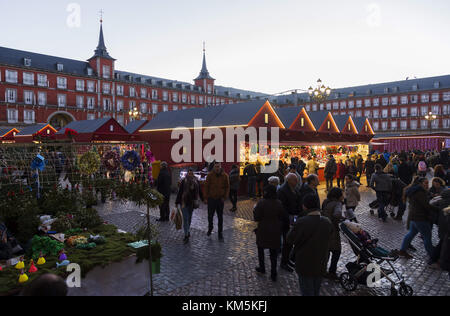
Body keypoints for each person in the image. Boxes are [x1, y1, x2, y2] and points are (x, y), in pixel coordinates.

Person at [287, 194, 333, 296]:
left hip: (305, 262)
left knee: (307, 291)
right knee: (316, 290)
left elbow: (290, 239)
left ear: (304, 206)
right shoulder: (327, 222)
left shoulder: (301, 222)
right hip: (321, 261)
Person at [398, 177, 439, 260]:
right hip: (420, 218)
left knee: (411, 234)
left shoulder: (414, 190)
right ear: (420, 184)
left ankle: (402, 250)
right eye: (425, 183)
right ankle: (433, 257)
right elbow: (426, 206)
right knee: (427, 237)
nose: (427, 185)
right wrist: (438, 209)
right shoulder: (420, 192)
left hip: (414, 217)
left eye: (428, 183)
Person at [254, 185, 288, 282]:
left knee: (260, 248)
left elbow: (256, 217)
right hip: (275, 230)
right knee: (273, 253)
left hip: (263, 229)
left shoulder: (261, 203)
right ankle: (273, 272)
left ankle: (262, 267)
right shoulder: (279, 203)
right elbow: (283, 216)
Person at [277, 173, 301, 273]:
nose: (297, 182)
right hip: (286, 220)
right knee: (287, 241)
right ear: (289, 180)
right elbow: (282, 207)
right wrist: (289, 219)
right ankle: (284, 262)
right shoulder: (282, 190)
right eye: (295, 180)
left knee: (290, 241)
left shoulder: (294, 189)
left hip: (293, 217)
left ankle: (287, 260)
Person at [321, 187, 345, 280]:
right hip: (333, 231)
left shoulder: (325, 201)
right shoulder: (338, 204)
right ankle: (332, 272)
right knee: (336, 251)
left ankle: (322, 270)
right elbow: (337, 214)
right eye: (342, 194)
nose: (343, 196)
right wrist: (339, 220)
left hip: (323, 229)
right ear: (338, 196)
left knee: (326, 251)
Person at [204, 162, 230, 241]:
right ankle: (210, 228)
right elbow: (206, 186)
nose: (217, 168)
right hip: (211, 199)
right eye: (215, 167)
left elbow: (227, 187)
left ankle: (220, 232)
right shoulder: (210, 175)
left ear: (220, 166)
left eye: (218, 166)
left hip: (220, 199)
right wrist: (206, 197)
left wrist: (224, 197)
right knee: (210, 216)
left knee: (220, 217)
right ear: (213, 167)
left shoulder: (225, 176)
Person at [176, 169, 201, 244]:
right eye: (189, 173)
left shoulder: (196, 182)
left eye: (191, 173)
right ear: (187, 174)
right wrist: (177, 202)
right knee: (186, 219)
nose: (190, 175)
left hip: (191, 203)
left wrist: (203, 199)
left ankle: (188, 230)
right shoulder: (184, 181)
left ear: (193, 174)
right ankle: (186, 235)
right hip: (183, 202)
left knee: (189, 218)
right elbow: (180, 192)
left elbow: (200, 191)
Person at [430, 189, 450, 265]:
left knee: (442, 243)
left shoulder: (441, 201)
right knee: (443, 244)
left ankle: (435, 259)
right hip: (446, 226)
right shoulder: (447, 202)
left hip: (442, 224)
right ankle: (437, 260)